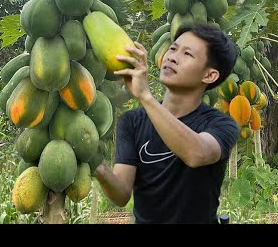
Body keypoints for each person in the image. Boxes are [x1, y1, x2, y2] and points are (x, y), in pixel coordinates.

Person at [93, 23, 240, 224]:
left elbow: (197, 153)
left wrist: (145, 96)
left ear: (209, 75)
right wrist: (98, 168)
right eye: (173, 48)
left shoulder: (222, 125)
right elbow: (122, 194)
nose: (171, 57)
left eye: (187, 54)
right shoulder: (132, 121)